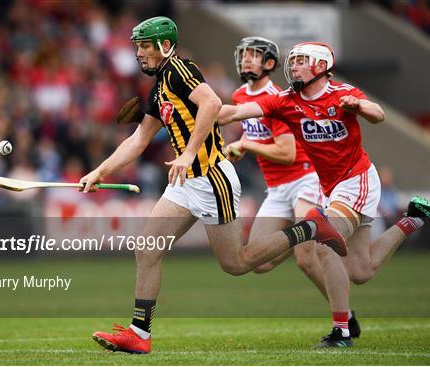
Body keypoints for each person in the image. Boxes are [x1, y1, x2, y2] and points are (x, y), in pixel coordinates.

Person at [80, 18, 346, 354]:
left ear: (164, 46)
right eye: (137, 46)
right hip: (185, 182)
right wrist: (99, 172)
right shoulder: (159, 86)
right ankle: (139, 334)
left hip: (210, 178)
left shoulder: (178, 68)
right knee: (147, 248)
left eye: (145, 46)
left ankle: (309, 227)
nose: (139, 53)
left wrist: (188, 152)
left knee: (236, 263)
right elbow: (138, 139)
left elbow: (212, 104)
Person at [218, 41, 430, 347]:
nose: (293, 67)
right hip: (329, 187)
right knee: (361, 271)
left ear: (320, 66)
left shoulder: (340, 94)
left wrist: (360, 107)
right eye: (292, 62)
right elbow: (236, 112)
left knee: (324, 245)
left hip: (356, 180)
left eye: (300, 62)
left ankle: (342, 331)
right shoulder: (286, 100)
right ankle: (413, 219)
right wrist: (206, 112)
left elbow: (378, 114)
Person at [222, 36, 365, 341]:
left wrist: (248, 145)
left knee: (305, 256)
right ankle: (344, 312)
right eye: (243, 54)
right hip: (275, 189)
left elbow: (286, 152)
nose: (246, 60)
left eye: (253, 55)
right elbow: (252, 136)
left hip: (304, 178)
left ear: (270, 64)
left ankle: (343, 318)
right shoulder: (239, 95)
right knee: (258, 261)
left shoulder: (279, 98)